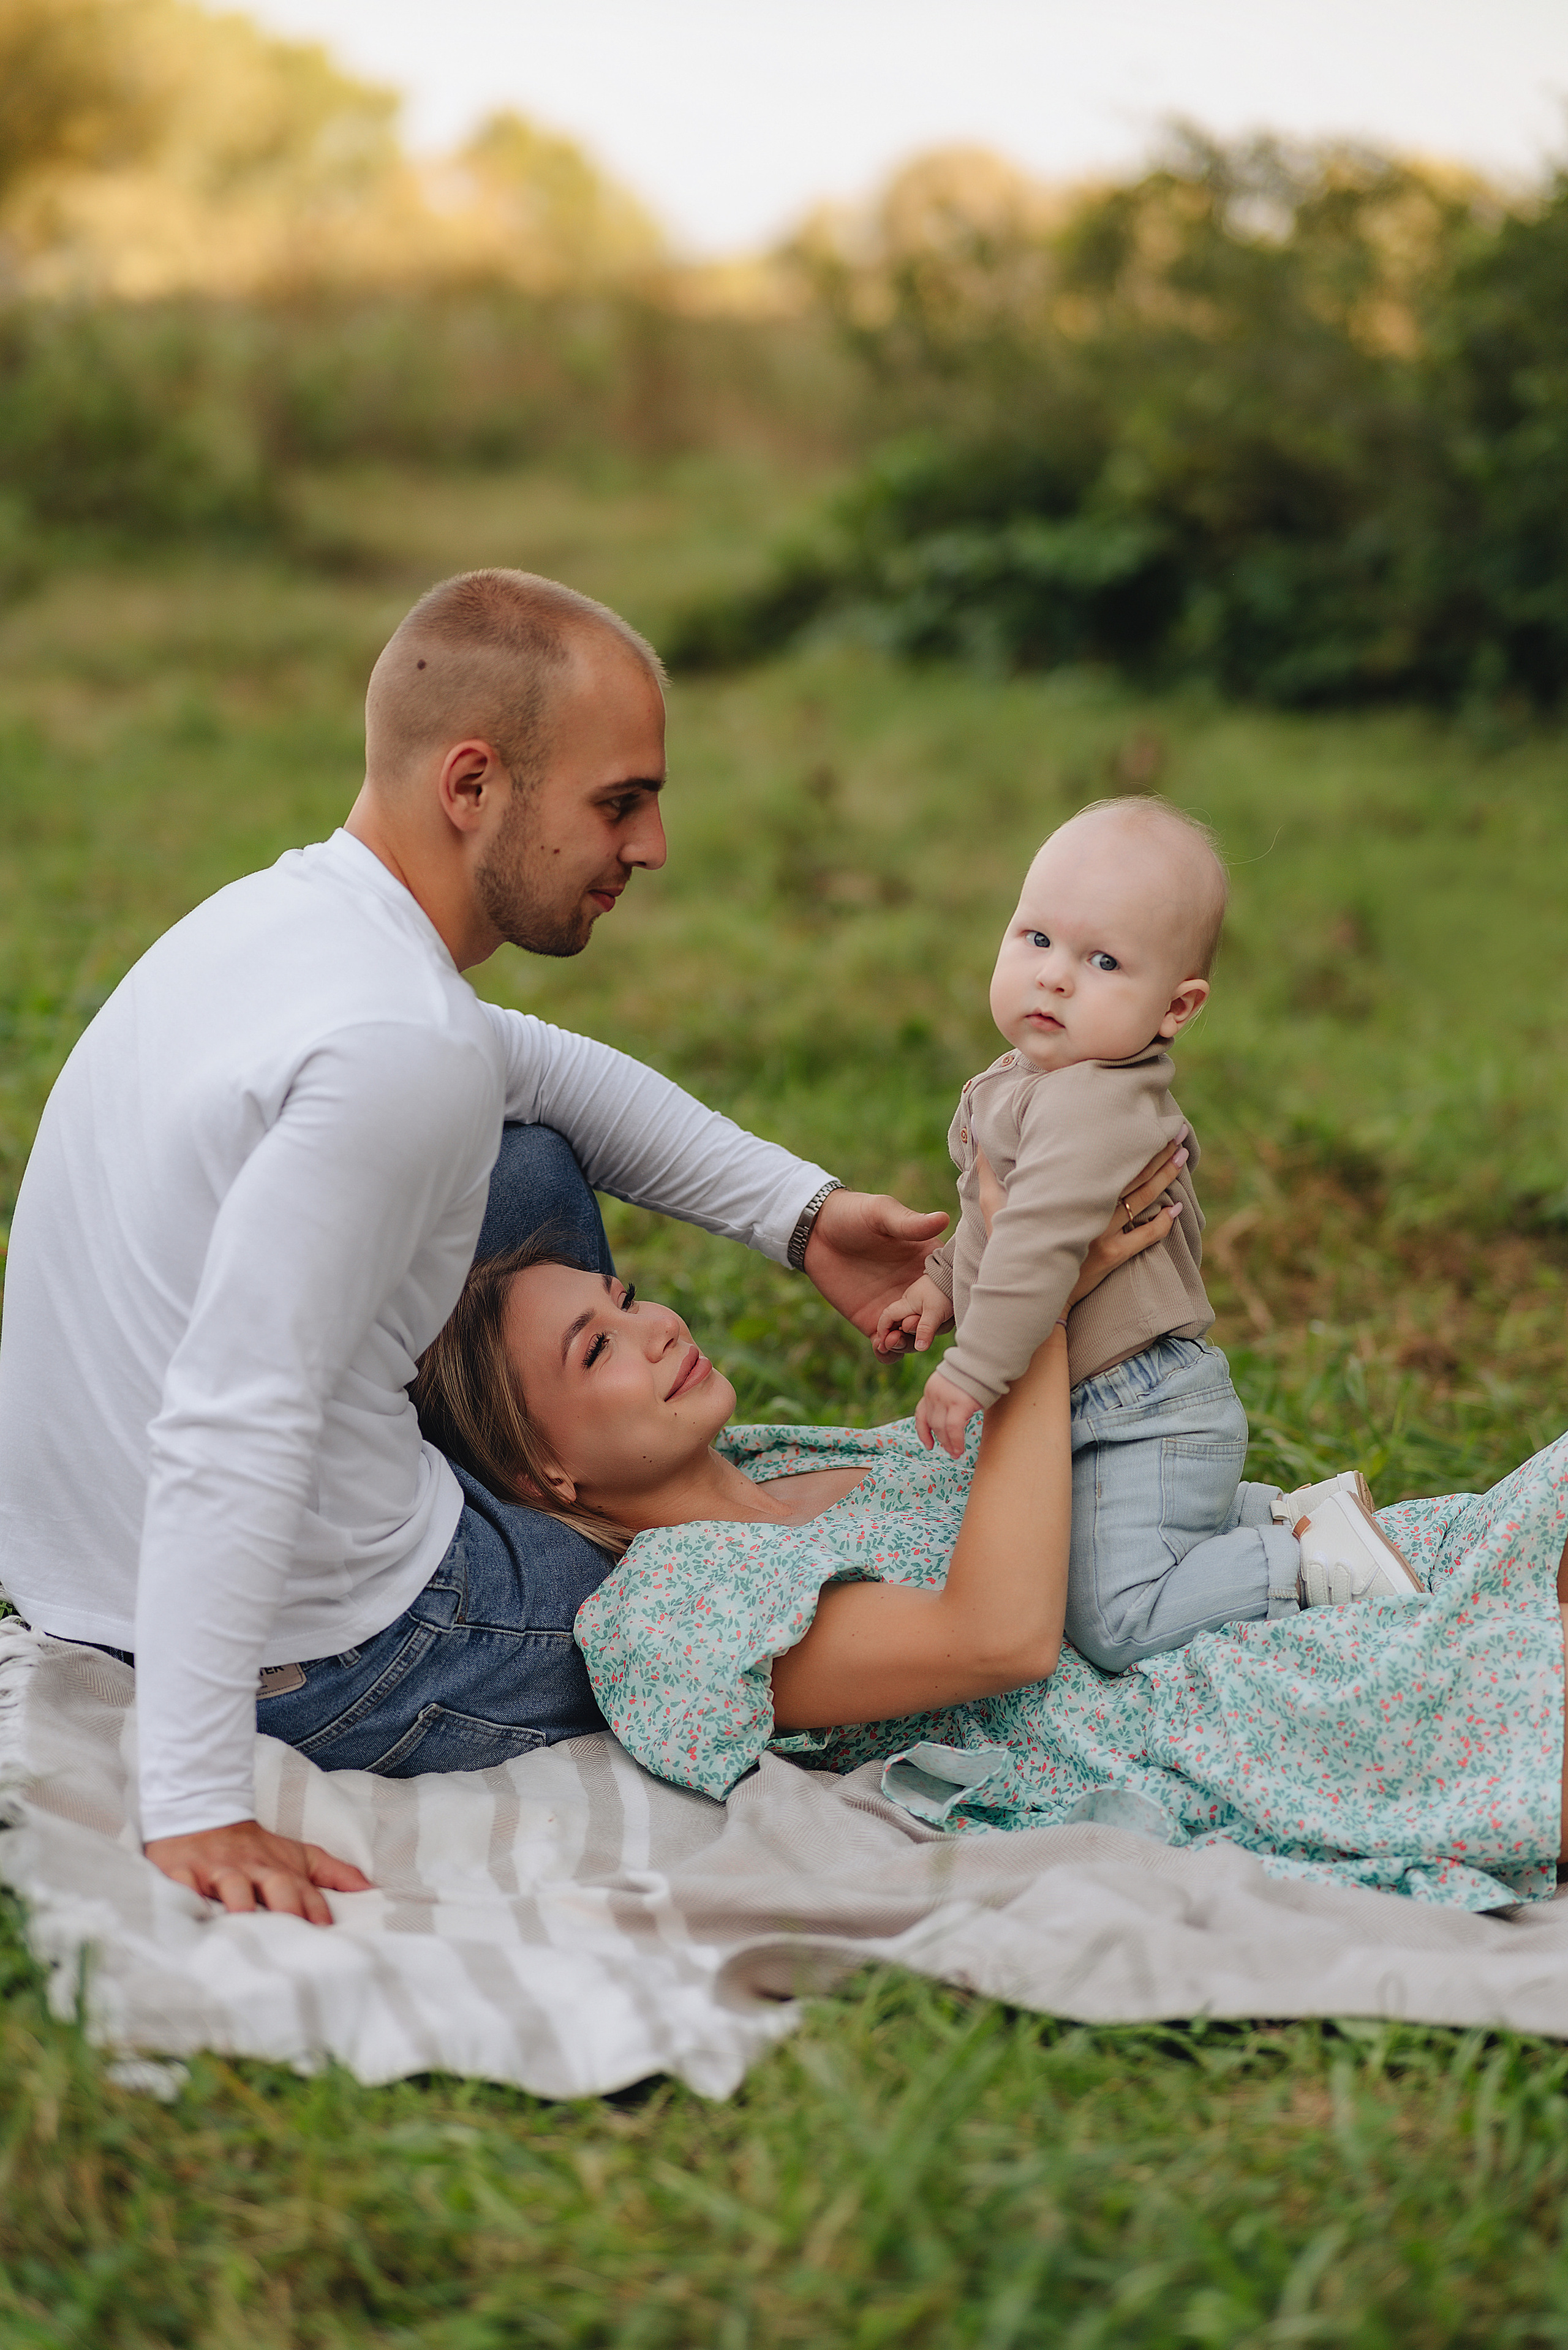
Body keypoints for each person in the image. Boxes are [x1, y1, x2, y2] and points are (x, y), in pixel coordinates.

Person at [0, 568, 948, 1923]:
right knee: (723, 1608)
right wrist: (198, 1791)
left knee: (526, 1156)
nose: (654, 844)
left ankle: (568, 1452)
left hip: (83, 1541)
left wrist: (799, 1217)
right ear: (472, 784)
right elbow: (236, 1409)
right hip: (328, 1642)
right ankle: (589, 1491)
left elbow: (540, 1069)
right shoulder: (397, 1051)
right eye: (618, 802)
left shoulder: (291, 919)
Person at [412, 1147, 1568, 1914]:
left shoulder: (785, 1456)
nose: (654, 1323)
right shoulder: (664, 1618)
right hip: (1202, 1717)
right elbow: (999, 1637)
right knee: (1522, 1677)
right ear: (541, 1470)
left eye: (623, 1299)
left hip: (1243, 1576)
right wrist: (1035, 1312)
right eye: (596, 1348)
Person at [872, 797, 1419, 1669]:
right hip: (1102, 1396)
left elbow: (1038, 1243)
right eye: (1036, 938)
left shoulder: (1097, 1102)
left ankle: (1309, 1559)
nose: (1053, 975)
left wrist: (973, 1366)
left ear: (1177, 1006)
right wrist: (940, 1283)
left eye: (1103, 960)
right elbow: (995, 1219)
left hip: (1142, 1410)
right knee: (1077, 1552)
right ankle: (1268, 1517)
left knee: (1115, 1621)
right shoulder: (1022, 1079)